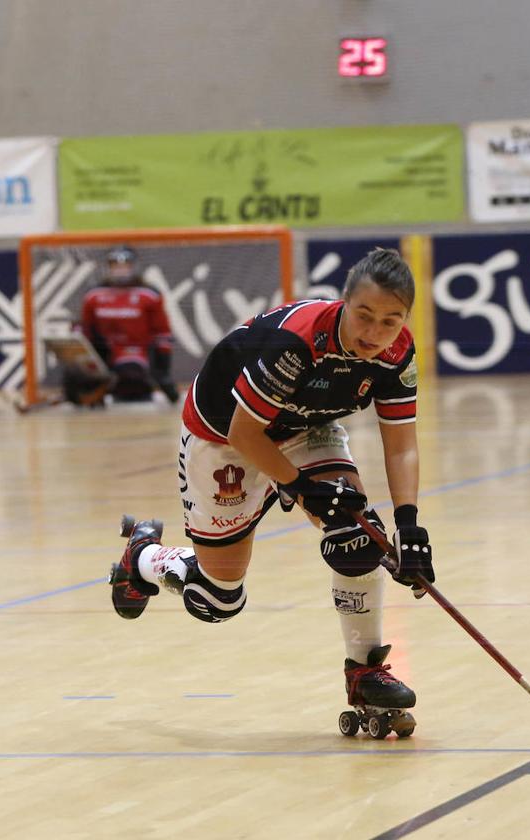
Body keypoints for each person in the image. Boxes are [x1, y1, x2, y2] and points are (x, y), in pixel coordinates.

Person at [108, 247, 436, 738]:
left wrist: (409, 527)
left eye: (390, 321)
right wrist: (302, 488)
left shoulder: (398, 354)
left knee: (357, 538)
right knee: (216, 600)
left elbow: (402, 447)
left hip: (307, 429)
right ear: (343, 303)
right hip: (225, 437)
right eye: (364, 315)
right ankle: (146, 556)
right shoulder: (296, 344)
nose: (374, 333)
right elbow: (246, 435)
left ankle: (365, 670)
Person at [68, 245, 178, 406]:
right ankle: (93, 393)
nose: (120, 270)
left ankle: (115, 388)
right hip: (104, 352)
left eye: (125, 266)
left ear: (134, 267)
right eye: (116, 266)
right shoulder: (94, 295)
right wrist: (76, 338)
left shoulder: (149, 295)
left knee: (130, 376)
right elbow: (85, 327)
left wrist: (162, 369)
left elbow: (162, 332)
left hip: (135, 351)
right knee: (73, 375)